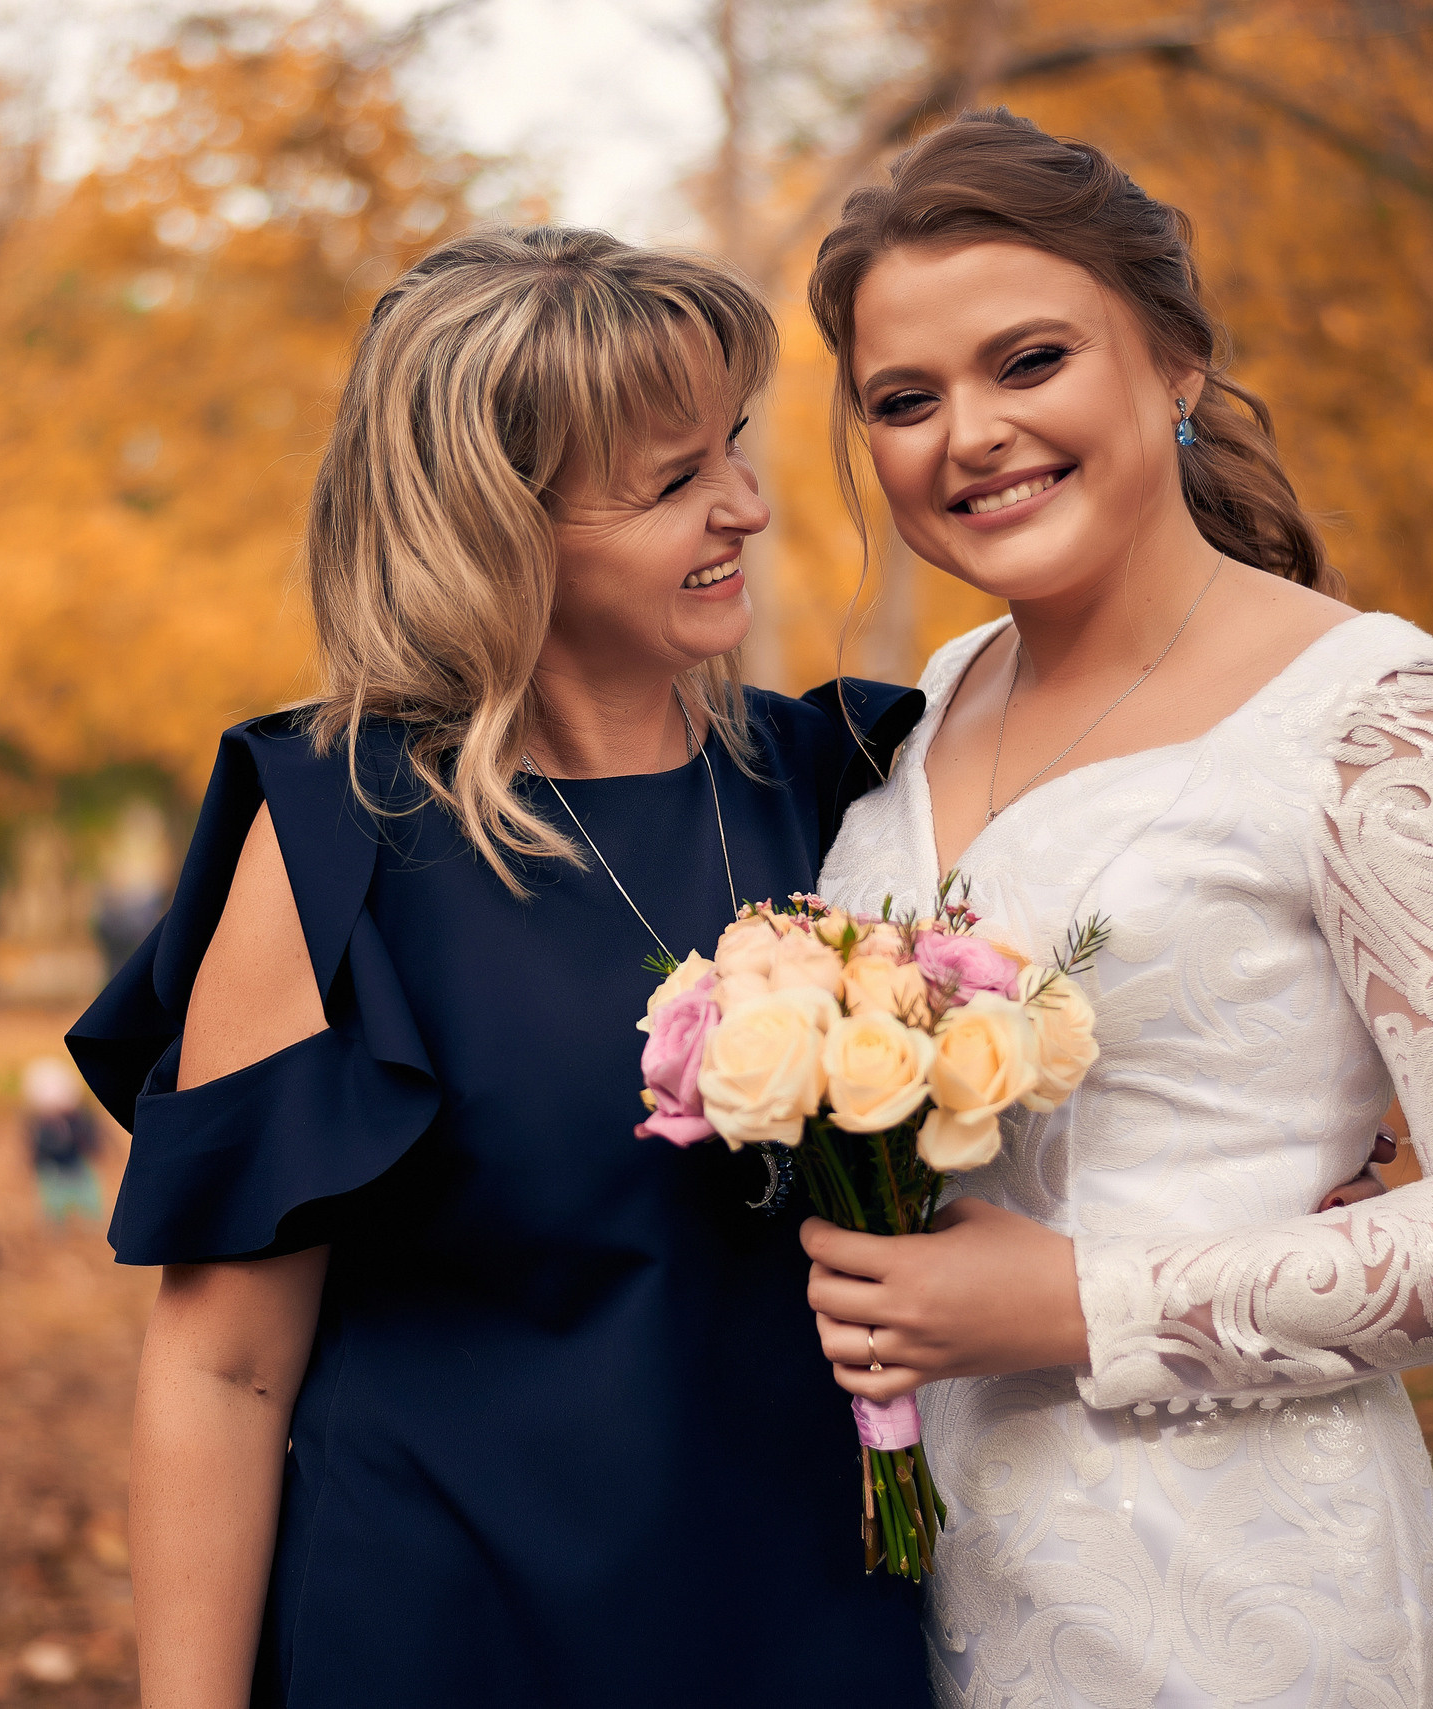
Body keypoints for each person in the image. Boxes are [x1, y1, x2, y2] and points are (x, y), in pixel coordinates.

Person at [798, 111, 1433, 1706]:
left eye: (1027, 362)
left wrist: (1077, 1299)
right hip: (920, 1595)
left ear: (1174, 361)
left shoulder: (1380, 711)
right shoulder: (931, 704)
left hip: (1240, 1589)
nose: (967, 434)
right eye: (904, 401)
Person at [67, 227, 932, 1709]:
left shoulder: (841, 783)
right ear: (496, 528)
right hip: (437, 1636)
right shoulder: (336, 840)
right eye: (674, 482)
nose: (749, 505)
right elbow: (222, 1371)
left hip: (802, 1631)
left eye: (731, 444)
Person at [23, 1057, 104, 1229]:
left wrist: (95, 1147)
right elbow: (34, 1144)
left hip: (77, 1162)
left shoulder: (80, 1117)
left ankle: (92, 1222)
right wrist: (34, 1160)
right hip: (52, 1167)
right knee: (54, 1198)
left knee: (88, 1194)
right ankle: (55, 1223)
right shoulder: (39, 1123)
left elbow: (92, 1133)